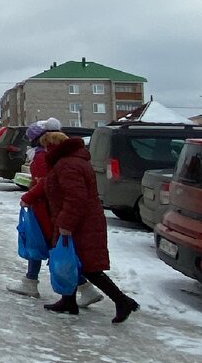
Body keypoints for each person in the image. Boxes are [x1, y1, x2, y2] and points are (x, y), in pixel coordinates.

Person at [40, 130, 140, 323]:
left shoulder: (67, 165)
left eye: (46, 146)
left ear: (53, 146)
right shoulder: (72, 162)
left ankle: (122, 301)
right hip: (81, 221)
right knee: (71, 262)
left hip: (79, 223)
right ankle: (68, 301)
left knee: (87, 266)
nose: (45, 150)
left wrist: (66, 224)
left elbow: (75, 197)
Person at [9, 119, 103, 306]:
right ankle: (32, 281)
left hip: (45, 208)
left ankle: (84, 288)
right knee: (42, 244)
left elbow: (45, 182)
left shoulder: (44, 157)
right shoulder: (48, 155)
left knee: (47, 245)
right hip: (44, 206)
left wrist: (29, 195)